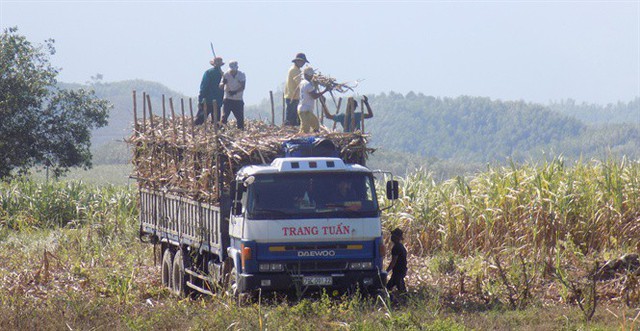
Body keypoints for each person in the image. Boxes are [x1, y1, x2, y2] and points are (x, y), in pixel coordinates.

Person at [298, 66, 330, 133]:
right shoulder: (307, 84)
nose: (312, 76)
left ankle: (313, 136)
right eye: (311, 75)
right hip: (305, 110)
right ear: (306, 75)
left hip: (305, 109)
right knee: (305, 129)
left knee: (315, 124)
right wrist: (325, 90)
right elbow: (314, 96)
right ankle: (303, 139)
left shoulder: (303, 82)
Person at [195, 57, 224, 125]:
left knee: (198, 122)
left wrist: (200, 99)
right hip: (217, 101)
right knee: (216, 123)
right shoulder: (223, 74)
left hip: (207, 100)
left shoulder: (208, 73)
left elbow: (203, 86)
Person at [220, 60, 246, 130]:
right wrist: (224, 83)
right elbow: (220, 86)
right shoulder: (226, 75)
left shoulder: (241, 75)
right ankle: (221, 130)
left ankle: (241, 131)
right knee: (224, 117)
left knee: (240, 118)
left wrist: (235, 92)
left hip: (238, 99)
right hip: (228, 99)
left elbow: (243, 87)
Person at [284, 53, 308, 126]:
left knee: (297, 119)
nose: (303, 63)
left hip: (295, 97)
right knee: (291, 119)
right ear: (298, 61)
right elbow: (301, 83)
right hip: (292, 97)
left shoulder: (297, 70)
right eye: (302, 62)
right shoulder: (294, 70)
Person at [386, 228, 407, 293]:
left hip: (398, 272)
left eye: (393, 236)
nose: (391, 237)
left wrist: (386, 271)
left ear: (396, 237)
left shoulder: (396, 248)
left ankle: (405, 301)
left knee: (400, 290)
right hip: (400, 271)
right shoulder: (401, 246)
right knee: (389, 287)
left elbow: (393, 262)